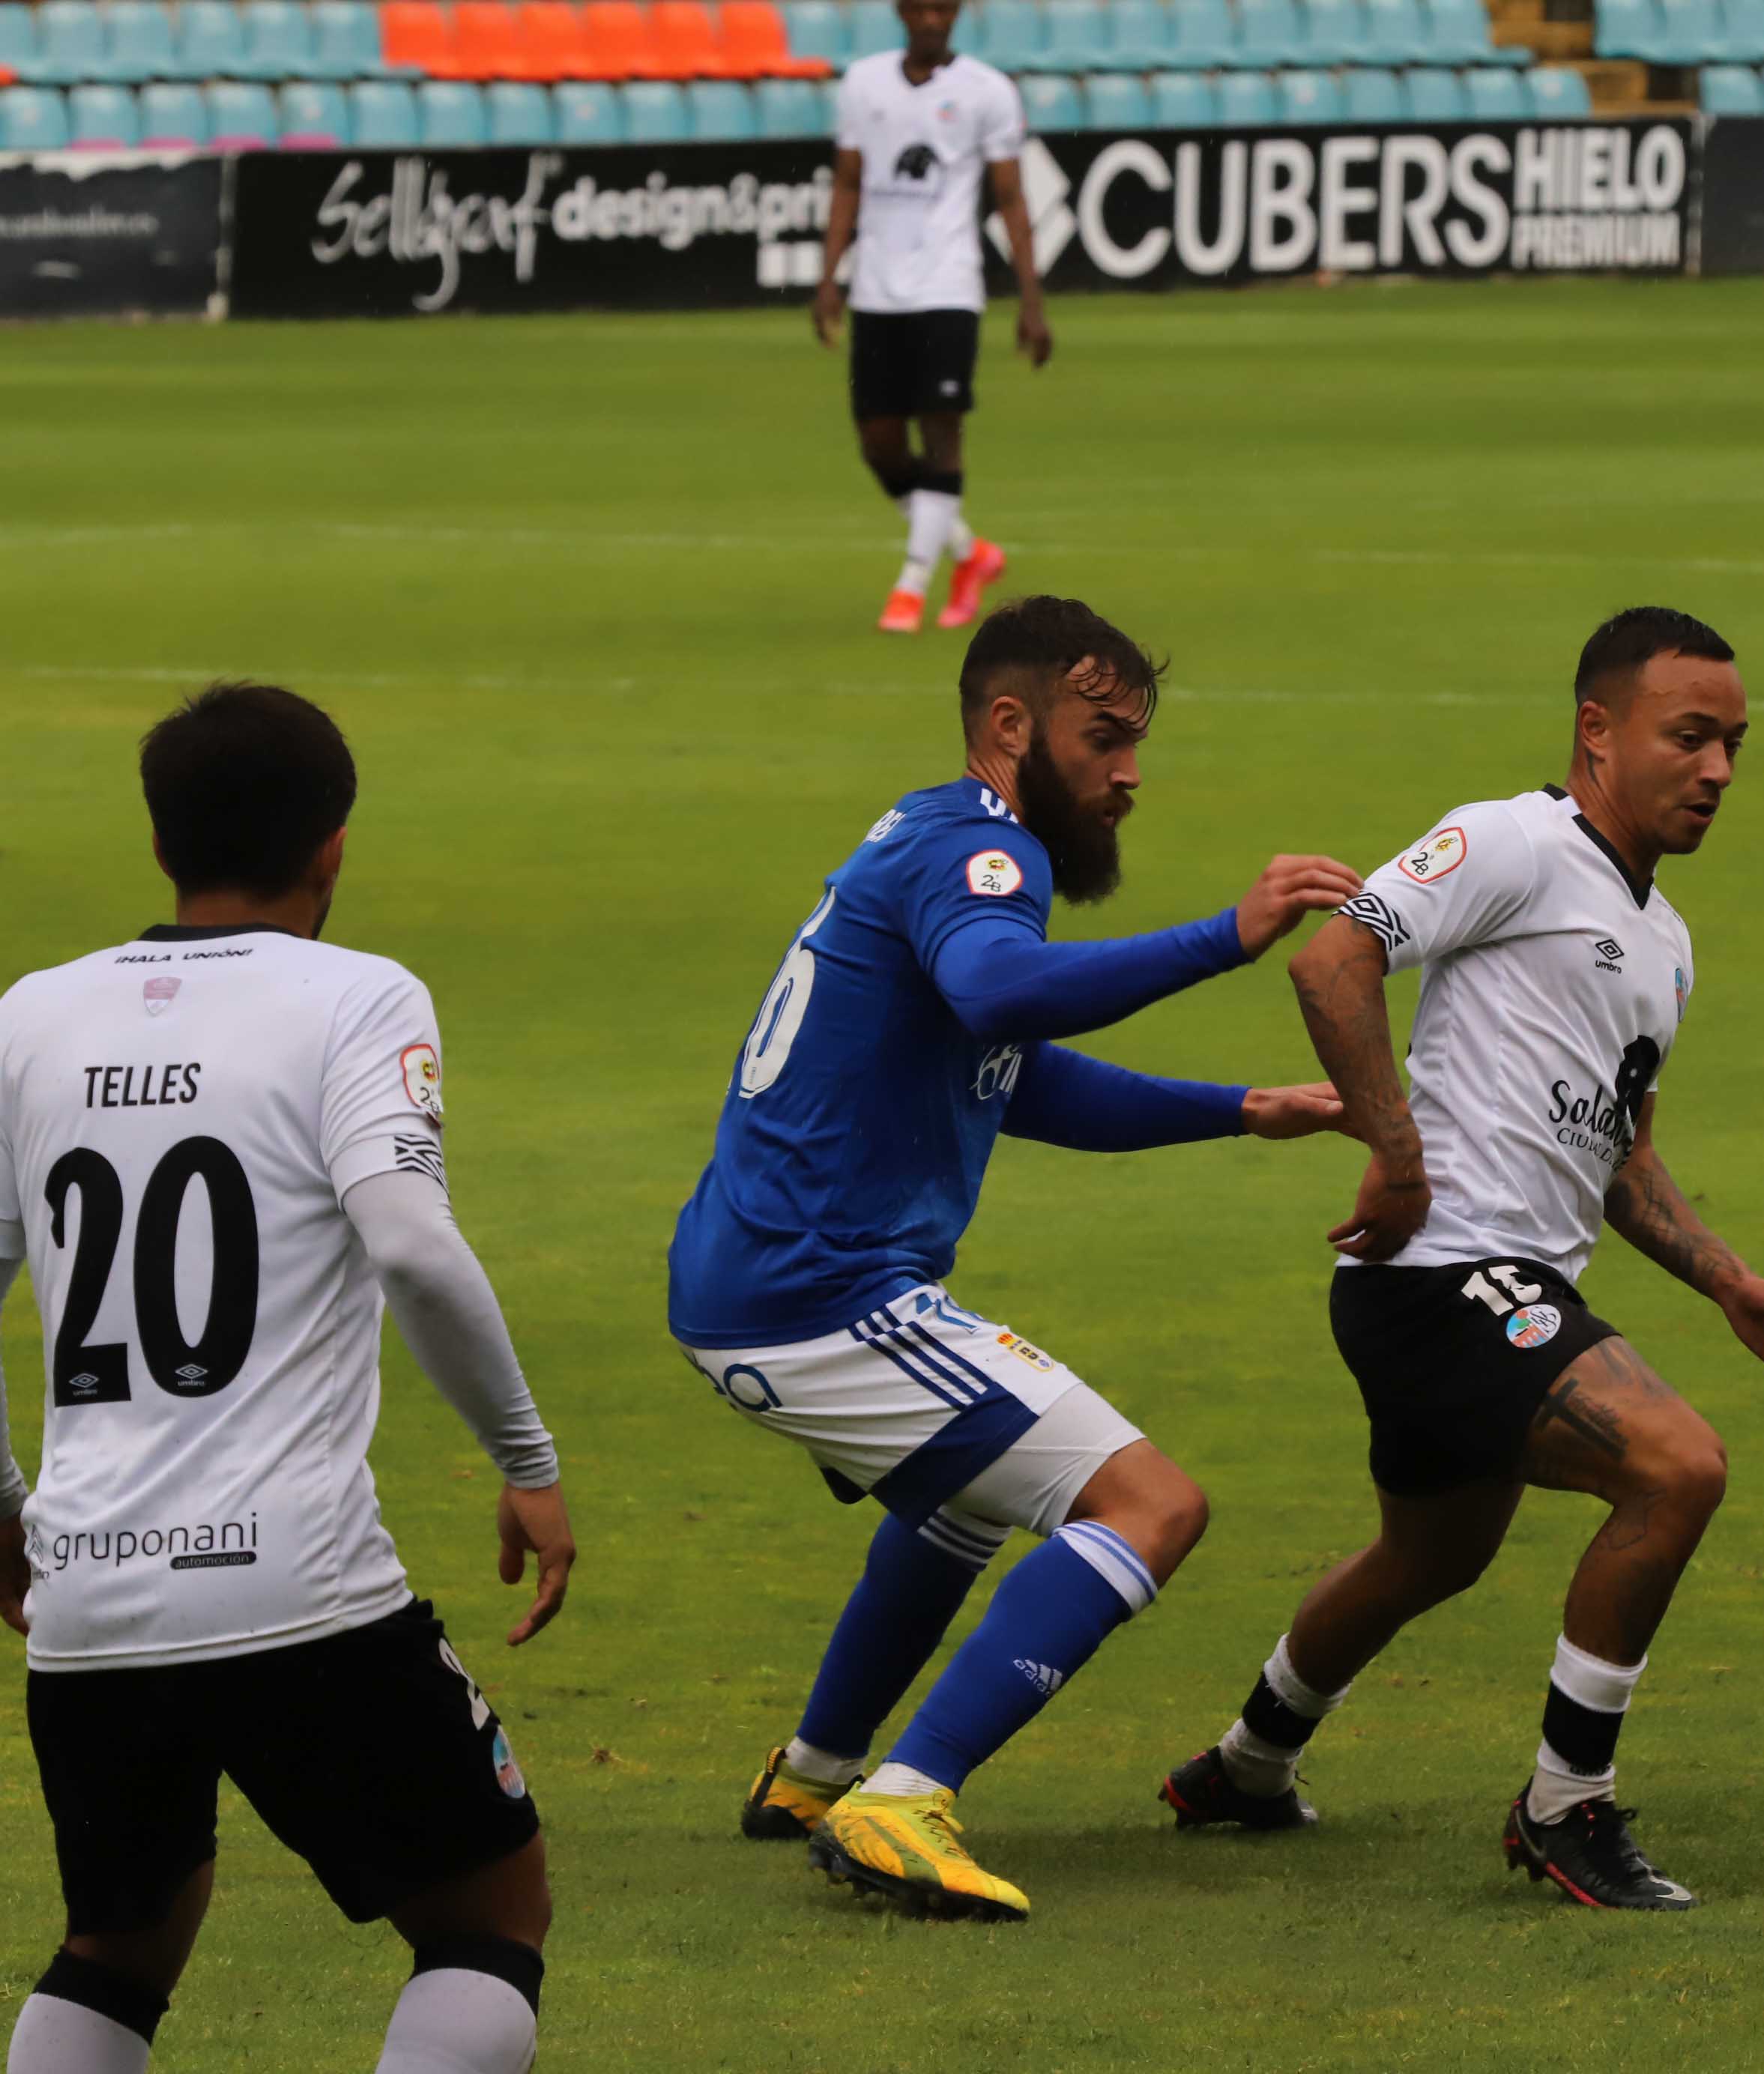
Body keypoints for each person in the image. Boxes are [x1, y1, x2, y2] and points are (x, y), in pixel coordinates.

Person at [669, 595, 1365, 1923]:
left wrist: (1238, 1109)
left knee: (971, 1499)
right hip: (815, 1289)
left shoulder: (930, 835)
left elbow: (1014, 1075)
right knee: (1150, 1504)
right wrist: (1226, 935)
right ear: (1010, 724)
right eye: (1104, 737)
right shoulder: (989, 855)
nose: (1128, 773)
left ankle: (816, 1770)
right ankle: (905, 1796)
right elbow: (999, 992)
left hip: (749, 1282)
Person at [1159, 607, 1764, 1912]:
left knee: (1430, 1555)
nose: (1718, 770)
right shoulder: (1514, 839)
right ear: (1598, 729)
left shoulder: (1667, 943)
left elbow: (1621, 1155)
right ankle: (1563, 1807)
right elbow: (1333, 958)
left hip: (1509, 1284)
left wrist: (1730, 1279)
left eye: (1735, 745)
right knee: (1678, 1465)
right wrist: (1400, 1152)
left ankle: (1245, 1763)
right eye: (1689, 736)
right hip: (1440, 1276)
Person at [0, 683, 576, 2074]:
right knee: (491, 1910)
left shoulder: (30, 1015)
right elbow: (415, 1248)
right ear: (333, 844)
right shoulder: (356, 995)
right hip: (297, 1590)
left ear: (161, 847)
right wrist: (527, 1458)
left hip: (87, 1603)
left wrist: (9, 1507)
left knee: (119, 1941)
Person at [812, 0, 1046, 635]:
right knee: (878, 441)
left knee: (942, 431)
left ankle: (911, 585)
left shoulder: (987, 91)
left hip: (949, 284)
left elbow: (1009, 196)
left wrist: (1030, 299)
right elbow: (848, 183)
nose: (933, 17)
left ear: (959, 12)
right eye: (922, 6)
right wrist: (829, 275)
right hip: (876, 289)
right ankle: (970, 554)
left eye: (945, 6)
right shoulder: (863, 83)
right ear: (901, 11)